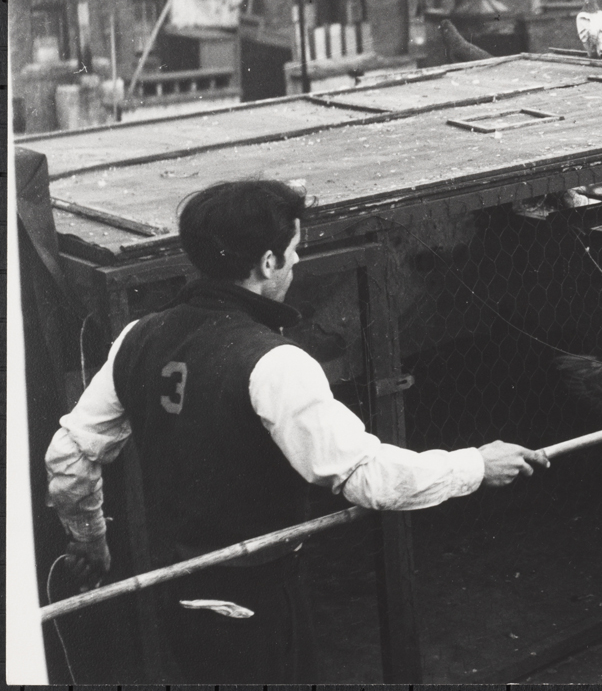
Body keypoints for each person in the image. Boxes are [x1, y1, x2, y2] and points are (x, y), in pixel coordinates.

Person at [45, 179, 549, 682]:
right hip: (254, 599)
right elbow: (365, 476)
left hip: (174, 591)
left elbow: (69, 454)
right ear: (267, 263)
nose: (297, 263)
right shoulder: (275, 362)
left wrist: (90, 539)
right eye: (293, 251)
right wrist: (477, 465)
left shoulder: (138, 336)